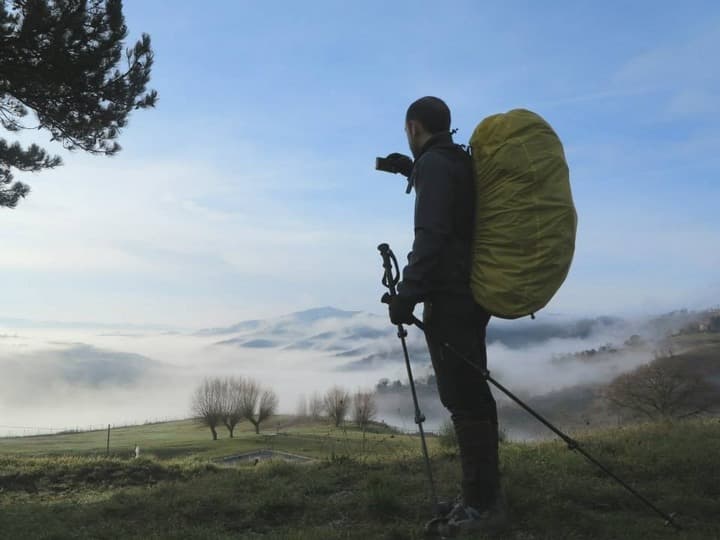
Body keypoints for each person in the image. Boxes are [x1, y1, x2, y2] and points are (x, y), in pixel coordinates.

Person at [385, 96, 506, 536]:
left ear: (414, 128)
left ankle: (482, 511)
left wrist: (407, 294)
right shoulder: (455, 160)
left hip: (450, 297)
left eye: (407, 133)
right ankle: (484, 497)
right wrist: (411, 169)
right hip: (472, 294)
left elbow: (433, 233)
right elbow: (456, 211)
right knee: (474, 395)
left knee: (464, 401)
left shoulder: (435, 166)